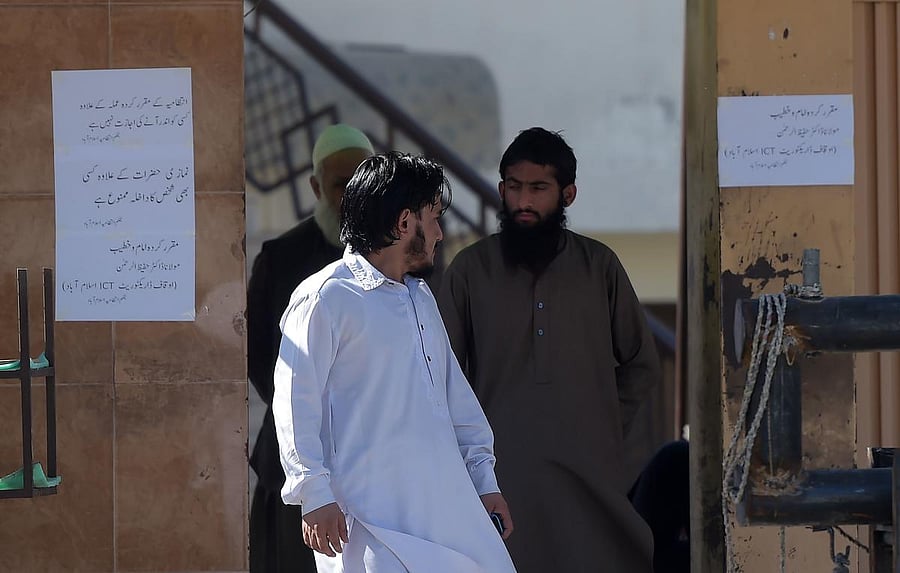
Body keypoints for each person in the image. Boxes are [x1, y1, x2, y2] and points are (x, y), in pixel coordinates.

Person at [272, 152, 518, 573]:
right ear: (405, 223)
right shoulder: (325, 298)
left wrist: (484, 482)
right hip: (369, 528)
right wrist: (312, 493)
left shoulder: (421, 299)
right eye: (434, 217)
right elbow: (295, 401)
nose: (440, 233)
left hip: (449, 519)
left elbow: (457, 403)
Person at [437, 127, 661, 572]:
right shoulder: (470, 270)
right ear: (501, 189)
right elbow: (438, 376)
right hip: (498, 477)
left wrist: (610, 443)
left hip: (590, 478)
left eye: (538, 189)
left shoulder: (599, 267)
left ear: (568, 194)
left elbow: (641, 366)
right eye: (514, 188)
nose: (523, 202)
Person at [247, 124, 374, 572]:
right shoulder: (280, 259)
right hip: (296, 457)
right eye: (340, 183)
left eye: (361, 180)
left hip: (372, 451)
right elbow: (262, 357)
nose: (350, 193)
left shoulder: (399, 260)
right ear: (317, 187)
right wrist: (316, 414)